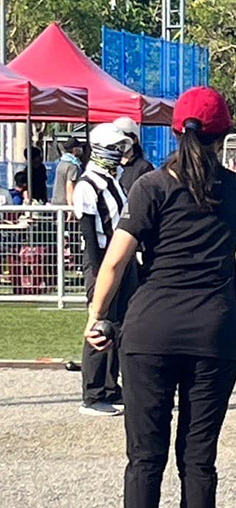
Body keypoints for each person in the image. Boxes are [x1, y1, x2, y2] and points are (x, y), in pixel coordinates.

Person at [83, 86, 236, 507]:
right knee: (198, 462)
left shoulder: (151, 187)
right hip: (214, 332)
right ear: (224, 136)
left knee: (145, 459)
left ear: (176, 131)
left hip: (150, 331)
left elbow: (114, 262)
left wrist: (96, 315)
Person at [73, 123, 138, 417]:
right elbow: (90, 236)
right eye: (115, 149)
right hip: (101, 262)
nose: (120, 154)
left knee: (121, 324)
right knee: (99, 325)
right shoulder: (87, 185)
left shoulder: (113, 181)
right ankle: (93, 393)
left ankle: (112, 387)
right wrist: (100, 276)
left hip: (122, 262)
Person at [113, 116, 155, 194]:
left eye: (124, 138)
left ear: (135, 139)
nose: (119, 143)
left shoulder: (144, 167)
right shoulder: (110, 165)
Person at [51, 138, 84, 206]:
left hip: (56, 201)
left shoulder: (61, 163)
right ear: (74, 149)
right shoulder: (73, 166)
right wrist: (70, 206)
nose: (80, 149)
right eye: (79, 147)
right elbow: (70, 185)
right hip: (65, 204)